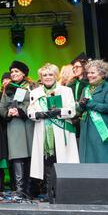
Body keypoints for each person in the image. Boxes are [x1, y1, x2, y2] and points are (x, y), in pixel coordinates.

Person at [27, 64, 79, 200]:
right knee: (48, 164)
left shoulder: (66, 90)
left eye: (50, 74)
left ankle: (65, 194)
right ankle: (51, 195)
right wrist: (38, 114)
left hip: (62, 132)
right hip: (44, 133)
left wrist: (58, 111)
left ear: (56, 76)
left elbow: (72, 110)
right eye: (45, 75)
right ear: (41, 78)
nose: (48, 77)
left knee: (63, 162)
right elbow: (30, 112)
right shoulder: (35, 92)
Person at [0, 61, 35, 200]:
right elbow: (1, 108)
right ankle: (20, 191)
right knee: (17, 157)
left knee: (31, 157)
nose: (13, 74)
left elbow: (36, 103)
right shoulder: (8, 88)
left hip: (29, 124)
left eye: (16, 71)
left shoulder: (32, 86)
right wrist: (9, 112)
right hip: (14, 126)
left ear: (24, 73)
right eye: (12, 72)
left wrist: (21, 111)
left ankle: (31, 190)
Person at [78, 59, 108, 163]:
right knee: (87, 156)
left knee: (102, 156)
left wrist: (89, 104)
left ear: (102, 74)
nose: (89, 75)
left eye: (93, 73)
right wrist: (81, 106)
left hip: (101, 128)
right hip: (86, 126)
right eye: (88, 73)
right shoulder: (85, 89)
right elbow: (81, 108)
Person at [67, 53, 89, 138]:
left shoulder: (88, 84)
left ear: (84, 67)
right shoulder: (71, 84)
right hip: (73, 116)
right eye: (73, 67)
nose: (74, 69)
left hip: (85, 116)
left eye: (77, 67)